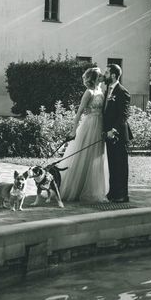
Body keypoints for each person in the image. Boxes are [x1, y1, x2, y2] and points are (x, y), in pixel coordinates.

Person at [59, 67, 109, 203]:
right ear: (94, 78)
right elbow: (79, 111)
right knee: (84, 156)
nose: (102, 77)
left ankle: (93, 189)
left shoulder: (101, 90)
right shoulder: (89, 92)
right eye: (99, 75)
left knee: (96, 157)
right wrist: (73, 130)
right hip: (90, 125)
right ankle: (75, 188)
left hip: (100, 125)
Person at [102, 64, 133, 203]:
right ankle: (113, 193)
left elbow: (123, 115)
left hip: (119, 135)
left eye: (107, 72)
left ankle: (122, 195)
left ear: (113, 75)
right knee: (112, 165)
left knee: (121, 165)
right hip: (108, 135)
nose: (105, 74)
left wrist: (113, 130)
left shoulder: (122, 92)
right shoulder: (107, 90)